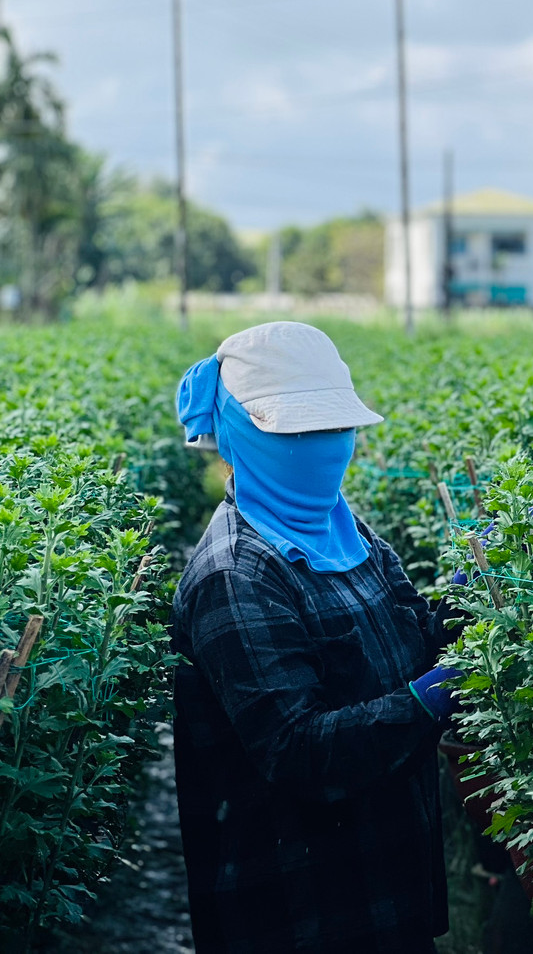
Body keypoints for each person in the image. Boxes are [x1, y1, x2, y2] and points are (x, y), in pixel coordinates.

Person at [171, 322, 461, 954]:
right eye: (300, 430)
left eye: (334, 426)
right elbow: (294, 750)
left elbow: (413, 643)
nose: (325, 444)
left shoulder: (340, 526)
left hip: (387, 882)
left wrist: (471, 604)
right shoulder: (235, 574)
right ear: (241, 432)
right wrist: (426, 701)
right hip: (303, 908)